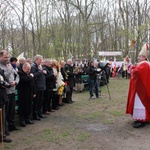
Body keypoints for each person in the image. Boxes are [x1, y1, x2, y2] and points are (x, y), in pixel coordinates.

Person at [126, 43, 150, 128]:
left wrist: (131, 67)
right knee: (139, 103)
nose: (138, 58)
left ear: (144, 57)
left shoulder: (145, 64)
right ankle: (139, 118)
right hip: (140, 88)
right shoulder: (143, 64)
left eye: (140, 56)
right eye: (139, 56)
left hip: (142, 89)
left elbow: (136, 72)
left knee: (141, 103)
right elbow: (135, 69)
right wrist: (129, 63)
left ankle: (142, 120)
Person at [0, 52, 20, 133]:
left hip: (12, 90)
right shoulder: (1, 67)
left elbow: (16, 75)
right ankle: (4, 130)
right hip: (5, 91)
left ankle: (12, 125)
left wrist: (15, 82)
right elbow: (4, 78)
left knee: (12, 110)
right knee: (5, 112)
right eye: (5, 57)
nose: (7, 59)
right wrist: (8, 70)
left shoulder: (9, 65)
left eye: (8, 57)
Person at [17, 62, 35, 127]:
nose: (28, 71)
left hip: (30, 92)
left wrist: (34, 92)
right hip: (23, 93)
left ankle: (27, 118)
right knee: (22, 106)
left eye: (29, 69)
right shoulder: (20, 73)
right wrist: (30, 76)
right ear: (23, 68)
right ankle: (22, 120)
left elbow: (33, 84)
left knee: (29, 106)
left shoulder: (29, 74)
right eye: (27, 69)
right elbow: (24, 80)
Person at [30, 55, 46, 120]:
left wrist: (43, 71)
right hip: (37, 87)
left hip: (41, 86)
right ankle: (35, 115)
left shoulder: (39, 66)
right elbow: (34, 76)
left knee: (40, 101)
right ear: (36, 60)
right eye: (40, 60)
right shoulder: (33, 67)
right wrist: (40, 71)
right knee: (36, 102)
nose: (41, 61)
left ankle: (39, 113)